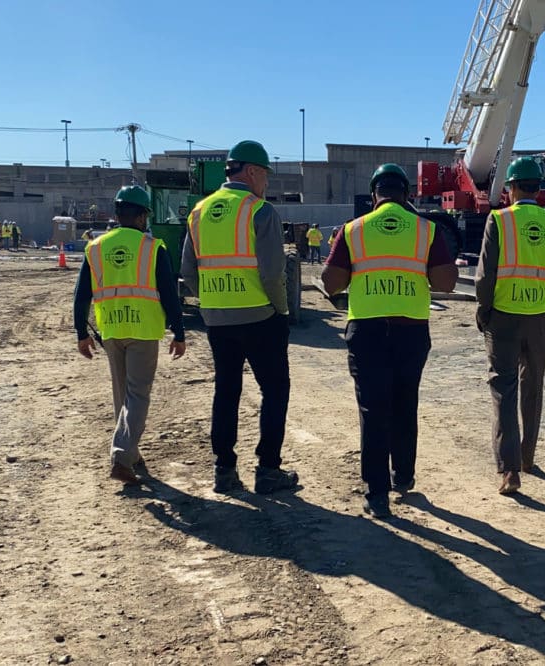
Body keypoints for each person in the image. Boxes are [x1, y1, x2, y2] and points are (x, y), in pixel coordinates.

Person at [321, 163, 457, 519]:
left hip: (366, 331)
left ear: (373, 195)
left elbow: (331, 282)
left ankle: (377, 493)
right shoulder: (426, 231)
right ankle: (404, 476)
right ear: (407, 195)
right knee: (404, 402)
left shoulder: (353, 231)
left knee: (372, 408)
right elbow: (446, 283)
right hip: (410, 330)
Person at [181, 140, 299, 495]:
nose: (266, 184)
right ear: (251, 172)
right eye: (265, 176)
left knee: (226, 390)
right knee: (275, 390)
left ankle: (224, 470)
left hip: (218, 321)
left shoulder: (198, 212)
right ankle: (267, 469)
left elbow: (188, 271)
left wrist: (213, 300)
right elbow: (272, 272)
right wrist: (281, 310)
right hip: (260, 317)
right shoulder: (259, 211)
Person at [474, 156, 545, 496]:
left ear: (512, 188)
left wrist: (483, 310)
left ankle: (509, 471)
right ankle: (528, 457)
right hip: (538, 318)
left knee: (503, 390)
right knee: (533, 387)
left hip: (503, 316)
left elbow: (485, 274)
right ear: (540, 188)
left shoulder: (499, 221)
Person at [73, 185, 186, 484]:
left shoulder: (96, 247)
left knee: (122, 394)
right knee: (137, 395)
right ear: (141, 216)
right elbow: (168, 294)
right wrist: (179, 331)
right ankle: (122, 455)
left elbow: (82, 294)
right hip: (143, 329)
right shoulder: (153, 248)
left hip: (111, 328)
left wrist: (80, 332)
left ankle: (131, 453)